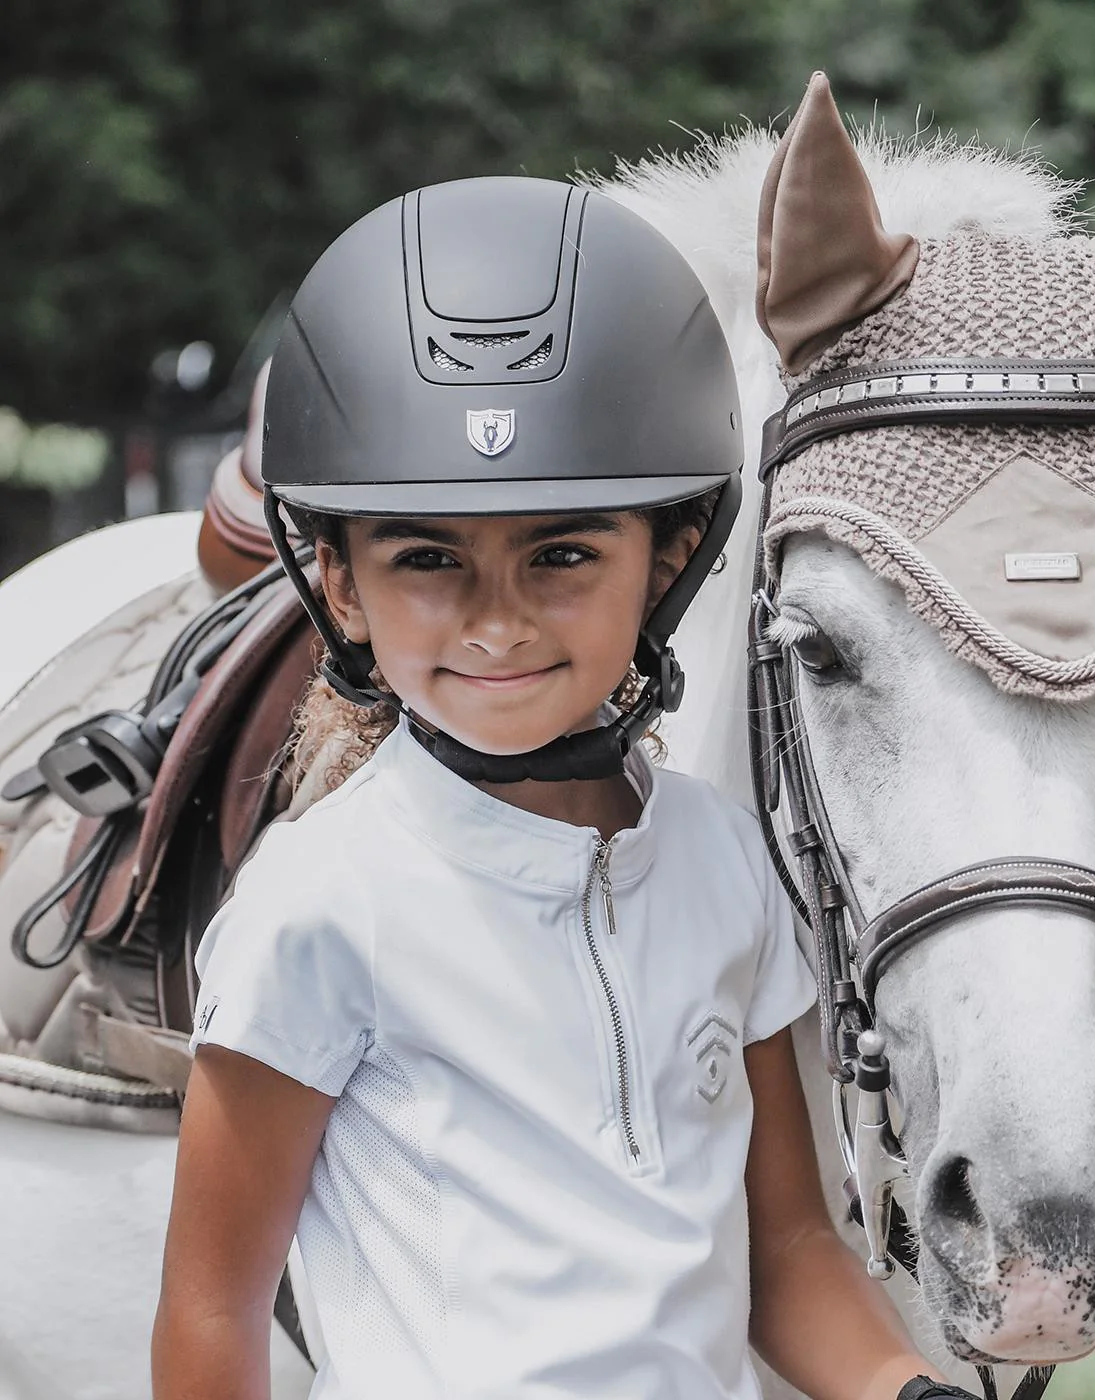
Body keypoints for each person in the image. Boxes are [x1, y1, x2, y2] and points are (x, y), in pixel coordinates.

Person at [151, 175, 955, 1400]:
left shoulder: (724, 860)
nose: (495, 619)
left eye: (563, 551)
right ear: (344, 585)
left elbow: (786, 1250)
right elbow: (213, 1307)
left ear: (670, 556)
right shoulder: (319, 904)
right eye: (428, 558)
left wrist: (910, 1390)